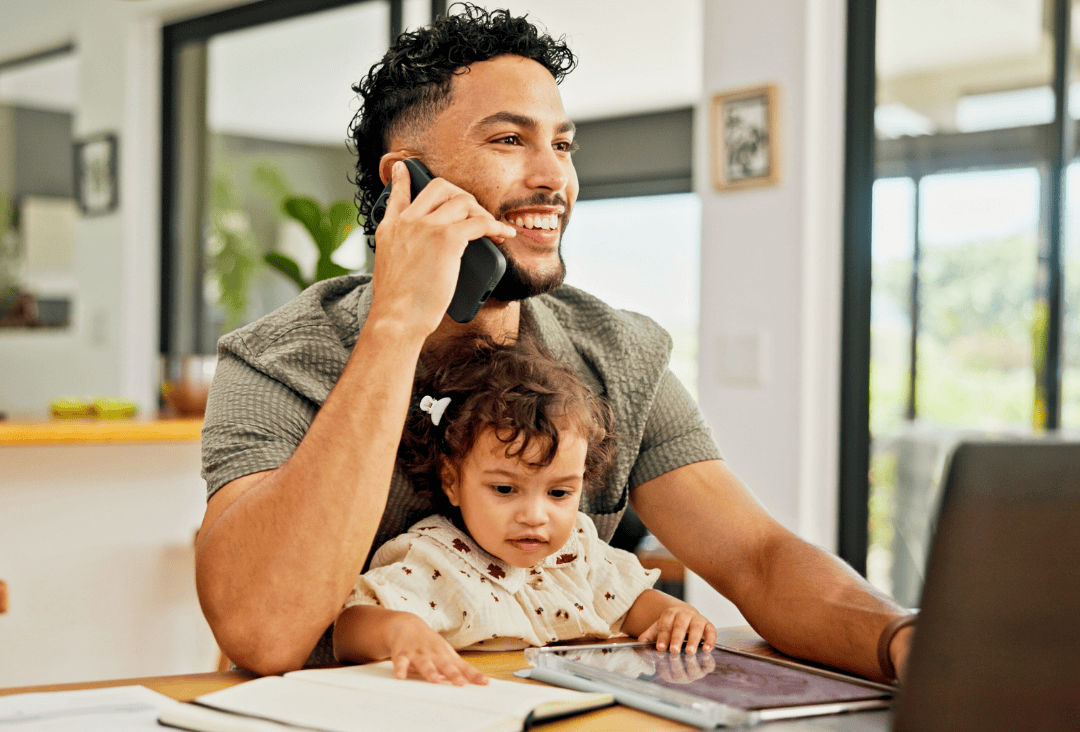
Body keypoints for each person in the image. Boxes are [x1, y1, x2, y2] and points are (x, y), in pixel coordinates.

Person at [195, 4, 915, 683]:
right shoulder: (279, 360)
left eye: (562, 144)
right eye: (511, 140)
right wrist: (394, 327)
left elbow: (755, 558)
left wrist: (904, 640)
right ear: (406, 179)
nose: (555, 179)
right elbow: (264, 633)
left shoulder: (616, 352)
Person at [332, 334, 717, 685]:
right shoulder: (435, 558)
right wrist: (400, 631)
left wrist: (674, 615)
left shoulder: (576, 550)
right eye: (504, 488)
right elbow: (349, 630)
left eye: (560, 493)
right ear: (452, 481)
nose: (535, 515)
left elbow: (631, 602)